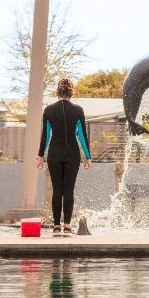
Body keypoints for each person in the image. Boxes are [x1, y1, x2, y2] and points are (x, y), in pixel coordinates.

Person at [37, 78, 91, 237]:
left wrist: (40, 156)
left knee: (57, 191)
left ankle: (55, 227)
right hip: (72, 154)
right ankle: (67, 227)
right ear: (71, 92)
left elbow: (45, 136)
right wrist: (87, 157)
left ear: (58, 92)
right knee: (68, 191)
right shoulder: (78, 110)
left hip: (54, 153)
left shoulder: (48, 110)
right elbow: (82, 135)